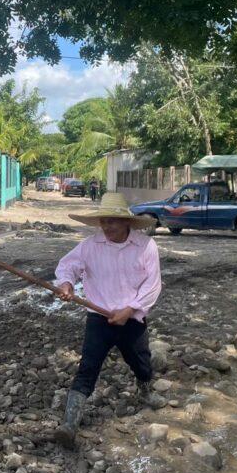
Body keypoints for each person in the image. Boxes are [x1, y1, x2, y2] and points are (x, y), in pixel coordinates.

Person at [53, 192, 168, 449]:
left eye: (112, 222)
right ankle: (69, 425)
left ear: (126, 222)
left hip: (132, 319)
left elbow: (153, 285)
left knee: (141, 363)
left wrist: (130, 309)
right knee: (88, 367)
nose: (106, 227)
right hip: (99, 316)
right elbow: (68, 266)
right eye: (103, 221)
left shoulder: (146, 247)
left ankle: (146, 390)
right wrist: (67, 283)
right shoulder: (89, 246)